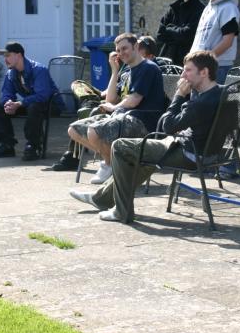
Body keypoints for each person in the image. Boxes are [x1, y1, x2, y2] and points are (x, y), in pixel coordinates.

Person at [69, 50, 222, 223]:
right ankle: (101, 198)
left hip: (189, 153)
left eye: (188, 70)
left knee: (120, 146)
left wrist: (179, 95)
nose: (183, 75)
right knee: (142, 157)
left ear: (204, 72)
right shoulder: (221, 92)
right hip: (209, 151)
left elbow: (167, 126)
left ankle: (121, 211)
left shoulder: (200, 103)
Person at [65, 33, 165, 184]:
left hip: (143, 121)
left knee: (93, 131)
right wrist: (114, 71)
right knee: (74, 130)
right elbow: (110, 99)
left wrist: (113, 108)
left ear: (135, 46)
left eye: (124, 48)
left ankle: (109, 165)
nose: (121, 53)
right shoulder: (127, 71)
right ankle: (116, 162)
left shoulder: (148, 68)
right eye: (118, 50)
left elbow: (134, 100)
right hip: (122, 117)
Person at [0, 42, 64, 161]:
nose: (5, 59)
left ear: (19, 55)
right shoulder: (11, 73)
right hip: (30, 104)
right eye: (4, 56)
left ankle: (33, 146)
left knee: (34, 107)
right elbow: (7, 93)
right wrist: (8, 103)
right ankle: (6, 145)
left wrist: (19, 103)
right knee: (1, 107)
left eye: (8, 55)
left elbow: (42, 96)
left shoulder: (39, 70)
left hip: (51, 105)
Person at [190, 0, 240, 83]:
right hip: (201, 68)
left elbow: (228, 42)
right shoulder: (208, 8)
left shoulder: (228, 8)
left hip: (217, 69)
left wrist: (204, 60)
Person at [156, 0, 205, 67]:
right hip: (166, 62)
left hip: (187, 64)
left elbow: (187, 36)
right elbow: (160, 34)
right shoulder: (174, 8)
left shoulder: (200, 10)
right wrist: (177, 33)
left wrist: (169, 28)